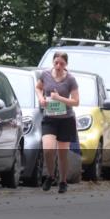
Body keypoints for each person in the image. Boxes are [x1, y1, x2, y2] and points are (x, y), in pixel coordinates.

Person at [36, 51, 79, 194]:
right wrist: (41, 99)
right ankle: (50, 175)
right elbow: (38, 87)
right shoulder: (46, 75)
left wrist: (59, 98)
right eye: (56, 63)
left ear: (66, 64)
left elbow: (76, 101)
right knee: (48, 149)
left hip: (66, 119)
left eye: (62, 63)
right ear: (53, 62)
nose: (58, 66)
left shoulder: (71, 80)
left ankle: (63, 181)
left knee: (62, 153)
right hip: (50, 118)